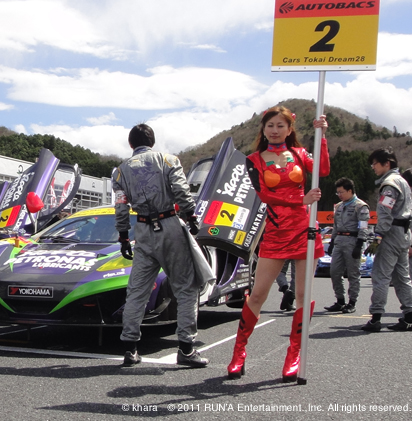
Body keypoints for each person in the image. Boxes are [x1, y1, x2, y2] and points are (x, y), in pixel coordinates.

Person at [227, 107, 329, 382]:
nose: (274, 130)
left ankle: (294, 355)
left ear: (289, 129)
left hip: (305, 229)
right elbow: (264, 195)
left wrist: (322, 136)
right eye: (270, 125)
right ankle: (239, 352)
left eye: (280, 125)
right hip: (275, 231)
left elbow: (323, 170)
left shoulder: (301, 154)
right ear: (263, 129)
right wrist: (300, 199)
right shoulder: (253, 160)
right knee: (258, 294)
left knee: (303, 295)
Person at [113, 123, 209, 368]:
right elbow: (181, 190)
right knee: (186, 288)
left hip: (142, 230)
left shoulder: (120, 172)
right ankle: (186, 348)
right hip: (170, 226)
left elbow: (121, 206)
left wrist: (123, 235)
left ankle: (130, 348)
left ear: (131, 144)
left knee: (137, 291)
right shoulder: (168, 160)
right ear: (152, 142)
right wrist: (191, 216)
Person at [360, 148, 412, 332]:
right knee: (402, 277)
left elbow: (385, 213)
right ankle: (409, 316)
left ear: (386, 163)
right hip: (404, 234)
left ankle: (375, 318)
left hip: (390, 234)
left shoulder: (389, 184)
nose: (373, 167)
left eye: (375, 163)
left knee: (380, 276)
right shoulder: (403, 182)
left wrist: (378, 236)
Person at [324, 178, 369, 314]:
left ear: (350, 191)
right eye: (337, 193)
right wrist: (332, 242)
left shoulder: (360, 206)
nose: (339, 195)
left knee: (353, 274)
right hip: (339, 240)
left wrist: (359, 244)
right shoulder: (338, 206)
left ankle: (352, 302)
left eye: (341, 192)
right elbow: (336, 225)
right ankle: (340, 300)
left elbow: (363, 226)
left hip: (353, 241)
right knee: (334, 272)